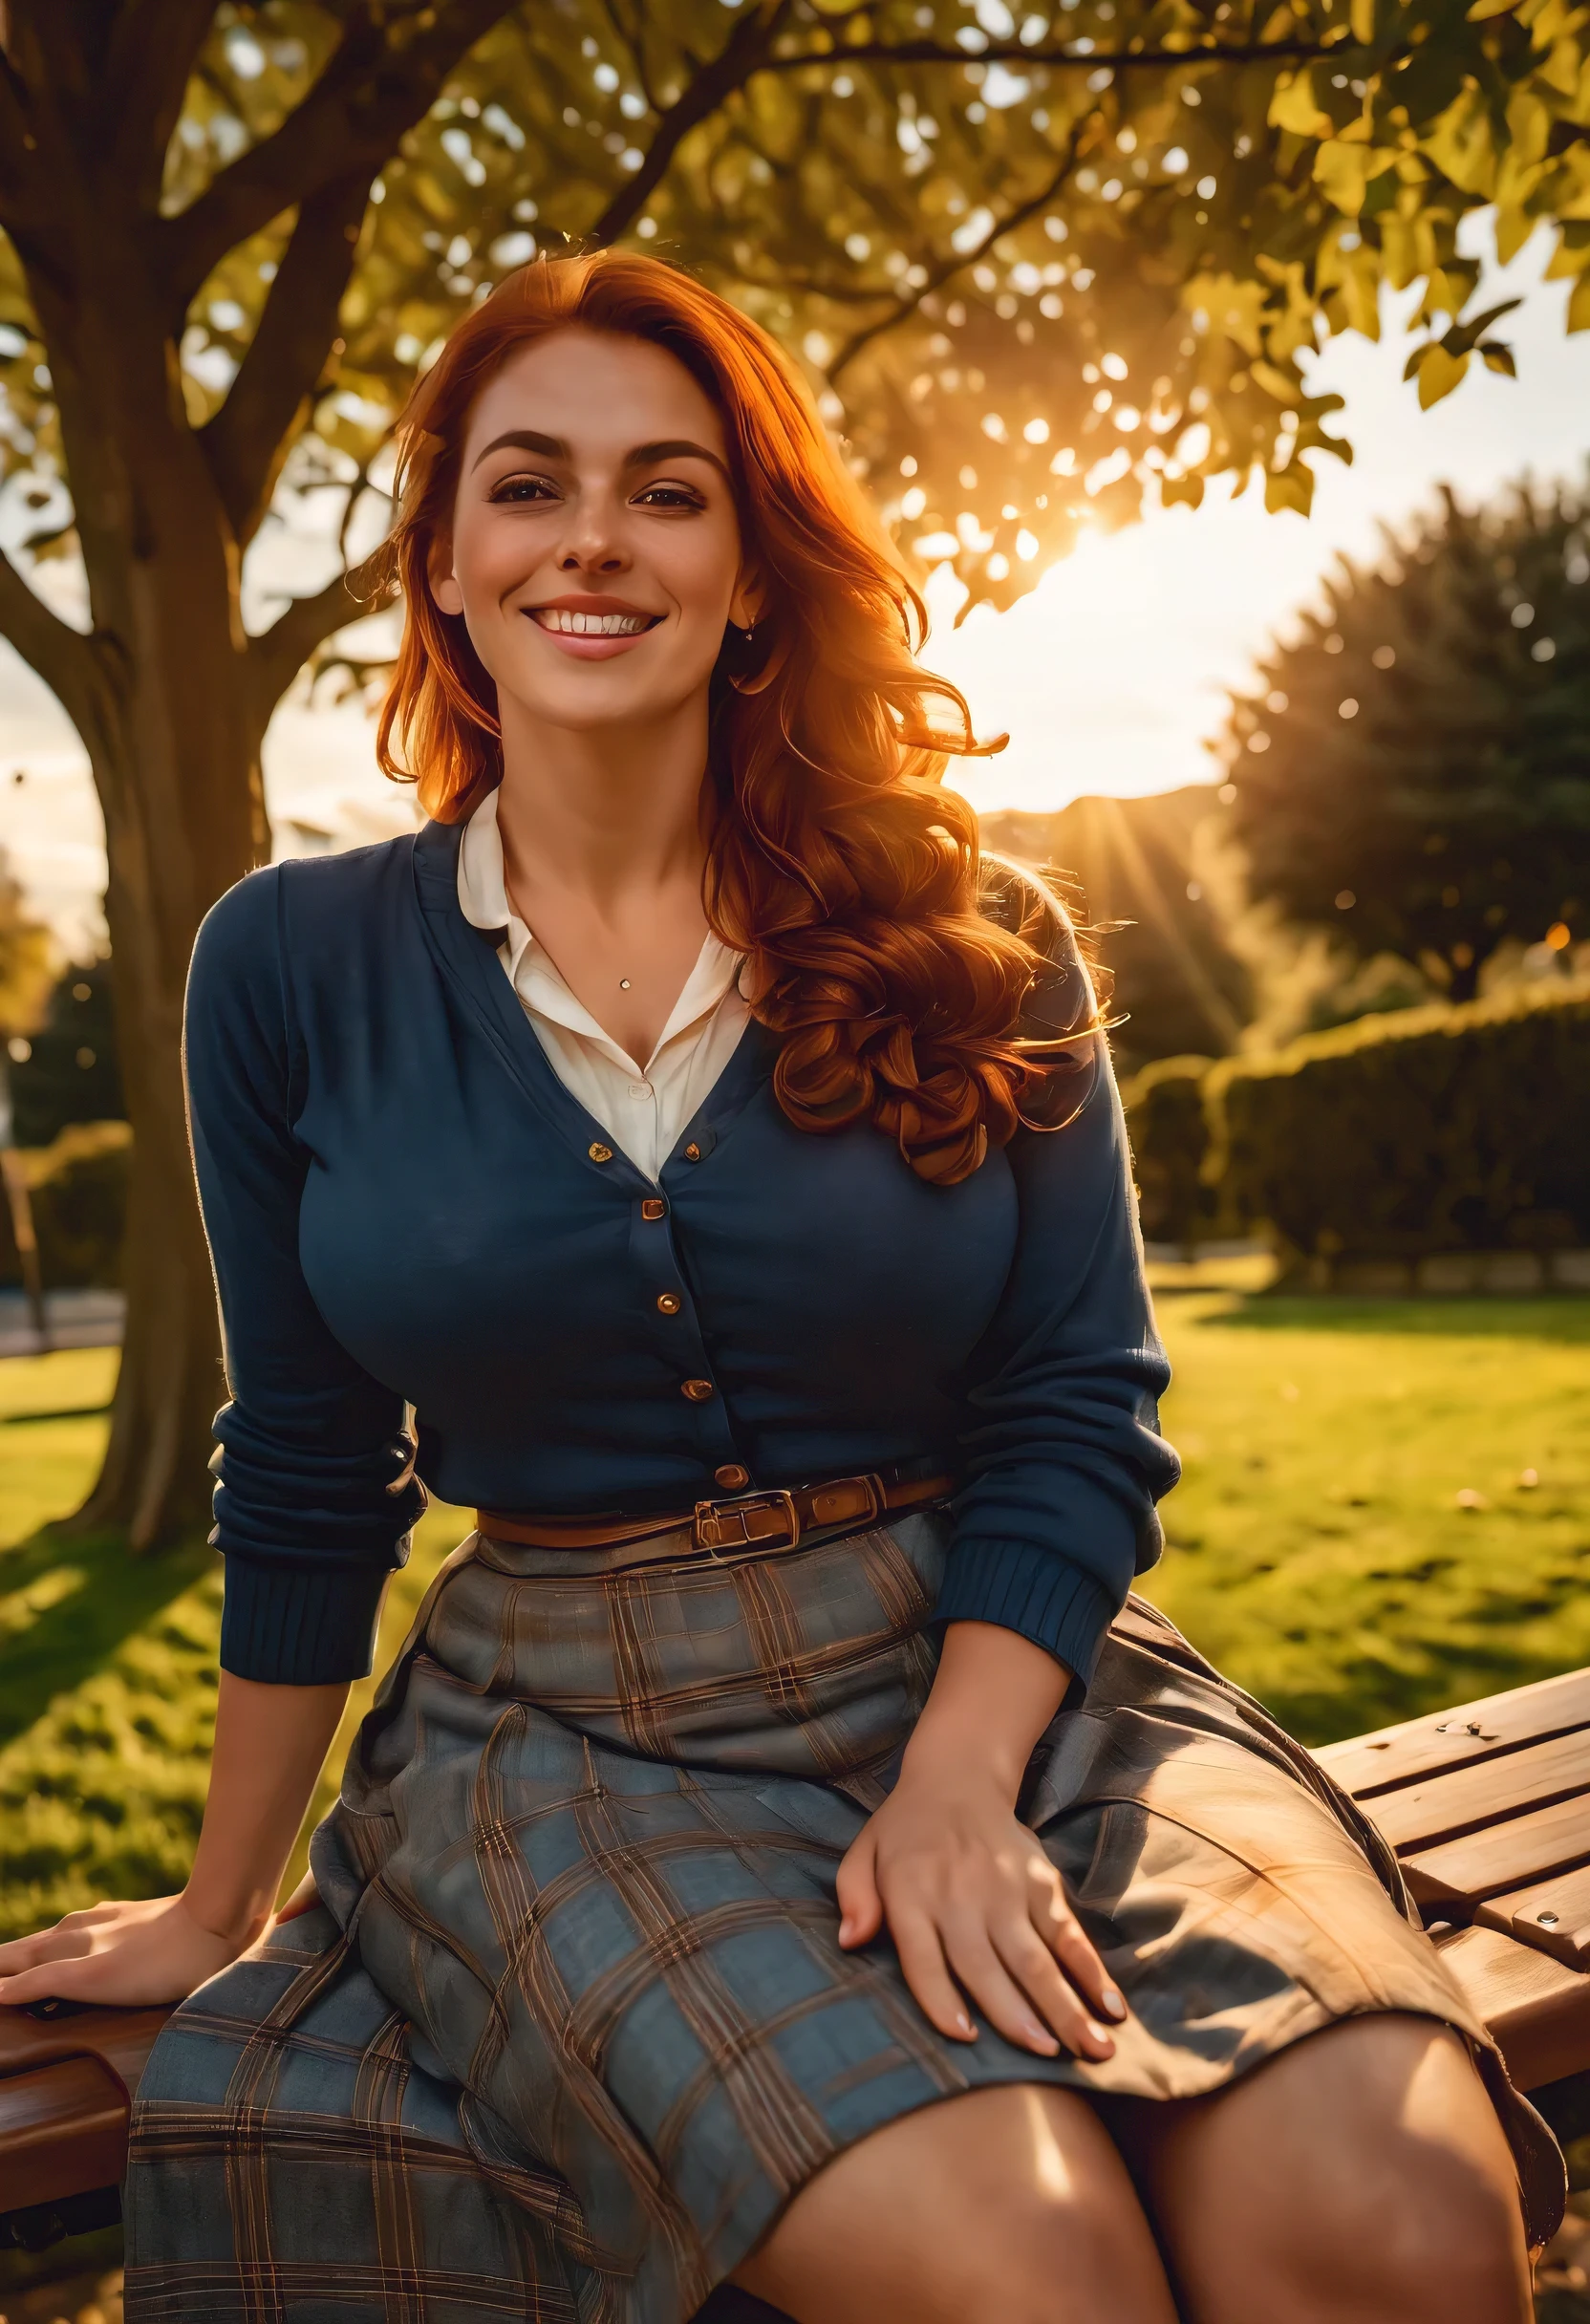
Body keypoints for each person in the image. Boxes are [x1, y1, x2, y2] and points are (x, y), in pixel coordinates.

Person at [0, 251, 1559, 2324]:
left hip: (1011, 1677)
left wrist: (954, 1785)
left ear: (750, 575)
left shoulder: (976, 930)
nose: (592, 538)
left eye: (668, 489)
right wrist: (222, 1898)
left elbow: (1077, 1400)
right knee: (1034, 2273)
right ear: (446, 561)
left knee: (1388, 2226)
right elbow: (303, 1454)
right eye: (527, 484)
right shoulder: (288, 967)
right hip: (567, 1733)